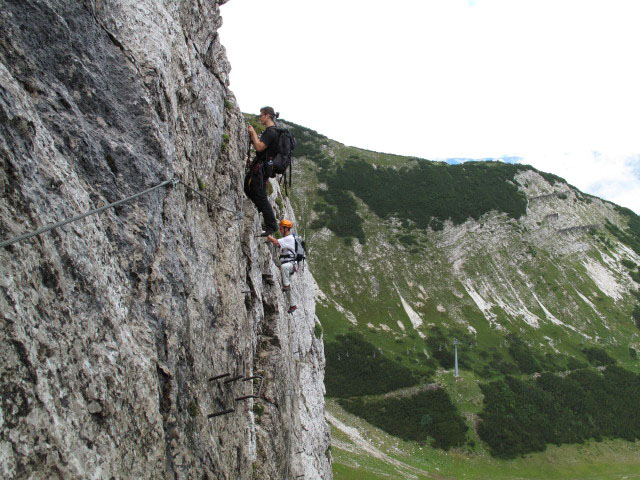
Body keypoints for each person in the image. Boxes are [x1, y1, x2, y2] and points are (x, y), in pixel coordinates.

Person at [245, 106, 280, 236]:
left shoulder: (271, 132)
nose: (260, 118)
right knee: (247, 187)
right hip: (262, 166)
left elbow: (259, 147)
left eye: (261, 115)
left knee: (260, 195)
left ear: (267, 115)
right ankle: (259, 209)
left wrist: (253, 133)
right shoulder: (272, 131)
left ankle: (271, 225)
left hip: (262, 167)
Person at [266, 219, 297, 314]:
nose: (280, 230)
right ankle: (293, 305)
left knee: (284, 271)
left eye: (281, 228)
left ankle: (286, 286)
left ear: (286, 229)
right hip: (289, 264)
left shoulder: (289, 238)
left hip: (290, 265)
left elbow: (275, 242)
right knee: (287, 284)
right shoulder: (287, 238)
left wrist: (266, 234)